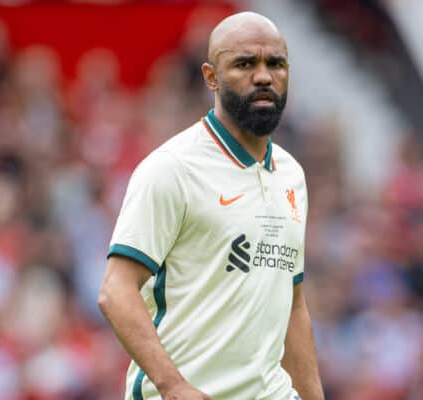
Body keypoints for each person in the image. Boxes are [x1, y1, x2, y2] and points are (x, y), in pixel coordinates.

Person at [98, 11, 324, 400]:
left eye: (276, 63)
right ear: (211, 77)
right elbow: (116, 291)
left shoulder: (291, 175)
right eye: (245, 63)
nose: (264, 76)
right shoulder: (172, 169)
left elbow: (293, 306)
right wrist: (173, 387)